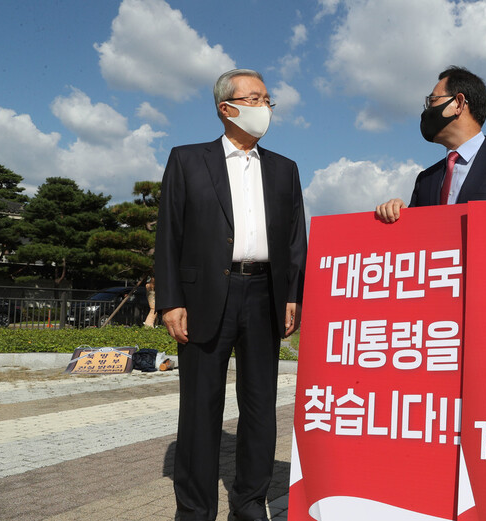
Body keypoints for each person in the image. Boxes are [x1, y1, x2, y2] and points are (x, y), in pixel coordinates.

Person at [155, 69, 307, 521]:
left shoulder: (284, 168)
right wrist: (171, 300)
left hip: (265, 295)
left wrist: (292, 294)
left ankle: (249, 504)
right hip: (204, 298)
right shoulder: (187, 160)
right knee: (201, 408)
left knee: (260, 407)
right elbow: (169, 235)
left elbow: (296, 238)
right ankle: (195, 509)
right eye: (255, 99)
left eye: (267, 101)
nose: (264, 108)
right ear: (227, 108)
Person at [375, 66, 486, 222]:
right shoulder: (425, 179)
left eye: (432, 101)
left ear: (459, 103)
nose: (427, 110)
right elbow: (416, 240)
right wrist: (397, 215)